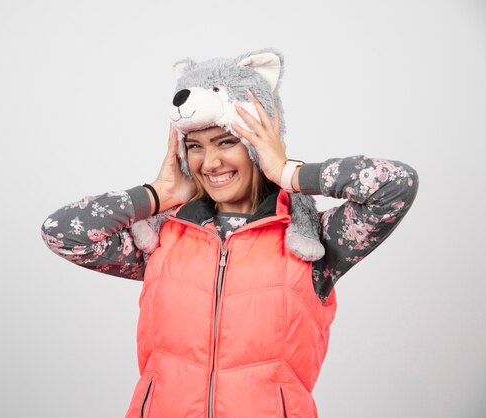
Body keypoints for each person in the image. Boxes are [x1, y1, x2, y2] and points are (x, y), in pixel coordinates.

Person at [40, 94, 419, 417]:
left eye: (225, 142)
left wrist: (288, 172)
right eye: (196, 146)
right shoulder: (160, 238)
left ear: (257, 146)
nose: (210, 162)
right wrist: (157, 192)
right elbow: (62, 231)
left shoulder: (313, 242)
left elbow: (395, 185)